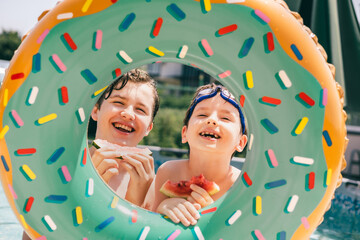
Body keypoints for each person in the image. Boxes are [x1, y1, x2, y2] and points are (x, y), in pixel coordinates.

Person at [23, 68, 159, 240]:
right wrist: (83, 189)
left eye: (140, 110)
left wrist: (136, 202)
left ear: (149, 127)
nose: (128, 113)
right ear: (95, 110)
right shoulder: (62, 168)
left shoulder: (153, 188)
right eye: (118, 102)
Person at [149, 83, 247, 227]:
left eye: (225, 118)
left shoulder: (241, 185)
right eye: (202, 115)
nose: (211, 120)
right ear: (184, 133)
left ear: (241, 142)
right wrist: (161, 209)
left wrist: (212, 218)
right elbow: (151, 227)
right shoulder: (168, 172)